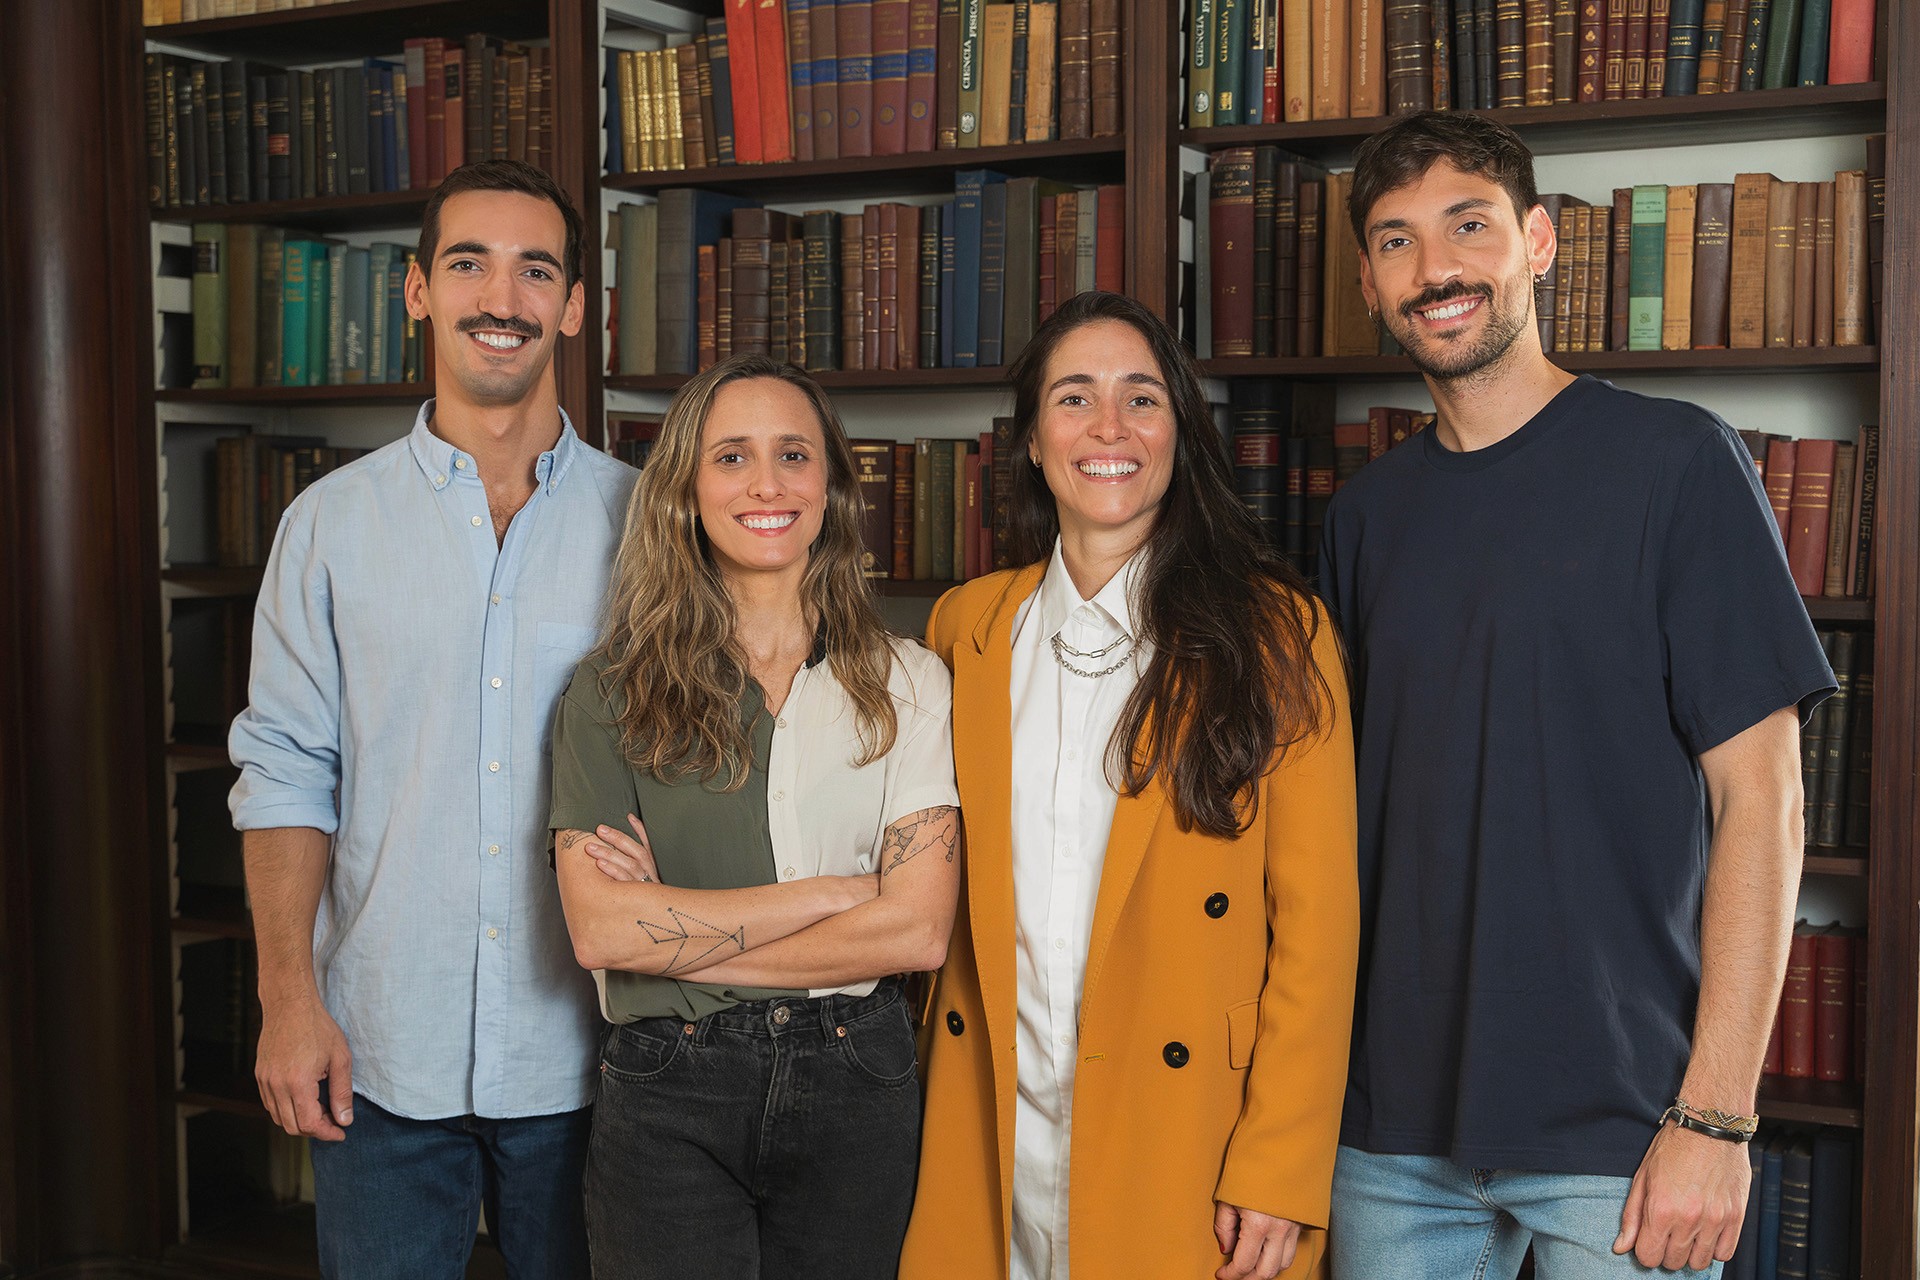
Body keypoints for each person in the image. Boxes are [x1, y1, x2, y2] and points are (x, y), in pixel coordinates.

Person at [1319, 111, 1836, 1279]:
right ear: (1367, 281)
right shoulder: (1364, 519)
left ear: (1538, 242)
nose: (1435, 269)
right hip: (1387, 1133)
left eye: (1469, 227)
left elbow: (1764, 803)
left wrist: (1717, 1116)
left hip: (1627, 1130)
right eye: (1396, 241)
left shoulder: (1678, 463)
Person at [898, 289, 1359, 1280]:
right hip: (989, 1122)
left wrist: (1279, 1166)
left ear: (1180, 432)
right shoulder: (963, 629)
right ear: (1029, 439)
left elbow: (1319, 933)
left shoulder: (1279, 635)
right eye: (1075, 397)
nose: (1109, 427)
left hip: (1193, 1137)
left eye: (1141, 398)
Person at [228, 160, 634, 1277]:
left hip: (595, 1063)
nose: (501, 299)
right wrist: (287, 1002)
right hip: (378, 1059)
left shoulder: (648, 527)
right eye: (469, 264)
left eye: (534, 270)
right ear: (416, 290)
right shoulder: (327, 527)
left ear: (575, 305)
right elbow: (284, 774)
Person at [547, 352, 961, 1279]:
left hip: (859, 1079)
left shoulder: (910, 681)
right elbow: (600, 930)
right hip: (666, 1087)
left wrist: (674, 926)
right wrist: (844, 895)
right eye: (731, 457)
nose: (766, 483)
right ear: (687, 491)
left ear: (831, 486)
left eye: (793, 455)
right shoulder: (609, 692)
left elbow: (921, 931)